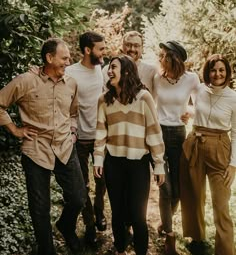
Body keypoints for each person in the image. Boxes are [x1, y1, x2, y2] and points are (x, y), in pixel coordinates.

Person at [0, 38, 86, 255]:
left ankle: (66, 226)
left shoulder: (72, 83)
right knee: (40, 209)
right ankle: (46, 250)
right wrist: (14, 129)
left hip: (65, 147)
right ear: (49, 57)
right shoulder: (25, 81)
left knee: (78, 198)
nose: (68, 62)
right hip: (36, 149)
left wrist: (73, 130)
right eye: (64, 58)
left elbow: (73, 112)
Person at [94, 54, 165, 255]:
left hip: (138, 164)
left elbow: (154, 132)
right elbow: (100, 132)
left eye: (113, 67)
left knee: (137, 216)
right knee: (117, 212)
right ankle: (120, 248)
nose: (109, 71)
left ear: (126, 71)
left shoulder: (144, 97)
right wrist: (98, 159)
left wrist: (158, 164)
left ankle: (142, 251)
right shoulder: (103, 100)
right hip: (113, 163)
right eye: (109, 67)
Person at [180, 54, 236, 255]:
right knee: (195, 195)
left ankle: (225, 250)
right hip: (196, 143)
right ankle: (197, 239)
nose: (217, 74)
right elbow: (199, 109)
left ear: (227, 72)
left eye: (221, 70)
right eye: (213, 70)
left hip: (220, 148)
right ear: (208, 72)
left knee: (221, 203)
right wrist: (189, 113)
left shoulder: (233, 97)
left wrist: (233, 164)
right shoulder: (200, 89)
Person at [155, 40, 200, 255]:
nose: (160, 59)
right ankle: (170, 237)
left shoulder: (191, 79)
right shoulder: (157, 78)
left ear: (174, 58)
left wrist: (189, 112)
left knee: (179, 191)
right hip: (158, 134)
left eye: (164, 55)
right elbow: (149, 103)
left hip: (179, 136)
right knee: (165, 186)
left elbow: (201, 105)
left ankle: (165, 222)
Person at [66, 31, 107, 247]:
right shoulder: (70, 72)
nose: (104, 52)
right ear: (87, 50)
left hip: (101, 137)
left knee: (103, 181)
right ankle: (90, 224)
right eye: (100, 49)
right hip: (79, 139)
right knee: (83, 186)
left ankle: (100, 212)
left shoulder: (103, 70)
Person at [103, 31, 158, 101]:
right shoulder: (108, 70)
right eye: (128, 45)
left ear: (142, 48)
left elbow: (155, 100)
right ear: (122, 46)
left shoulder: (152, 71)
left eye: (136, 46)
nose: (132, 49)